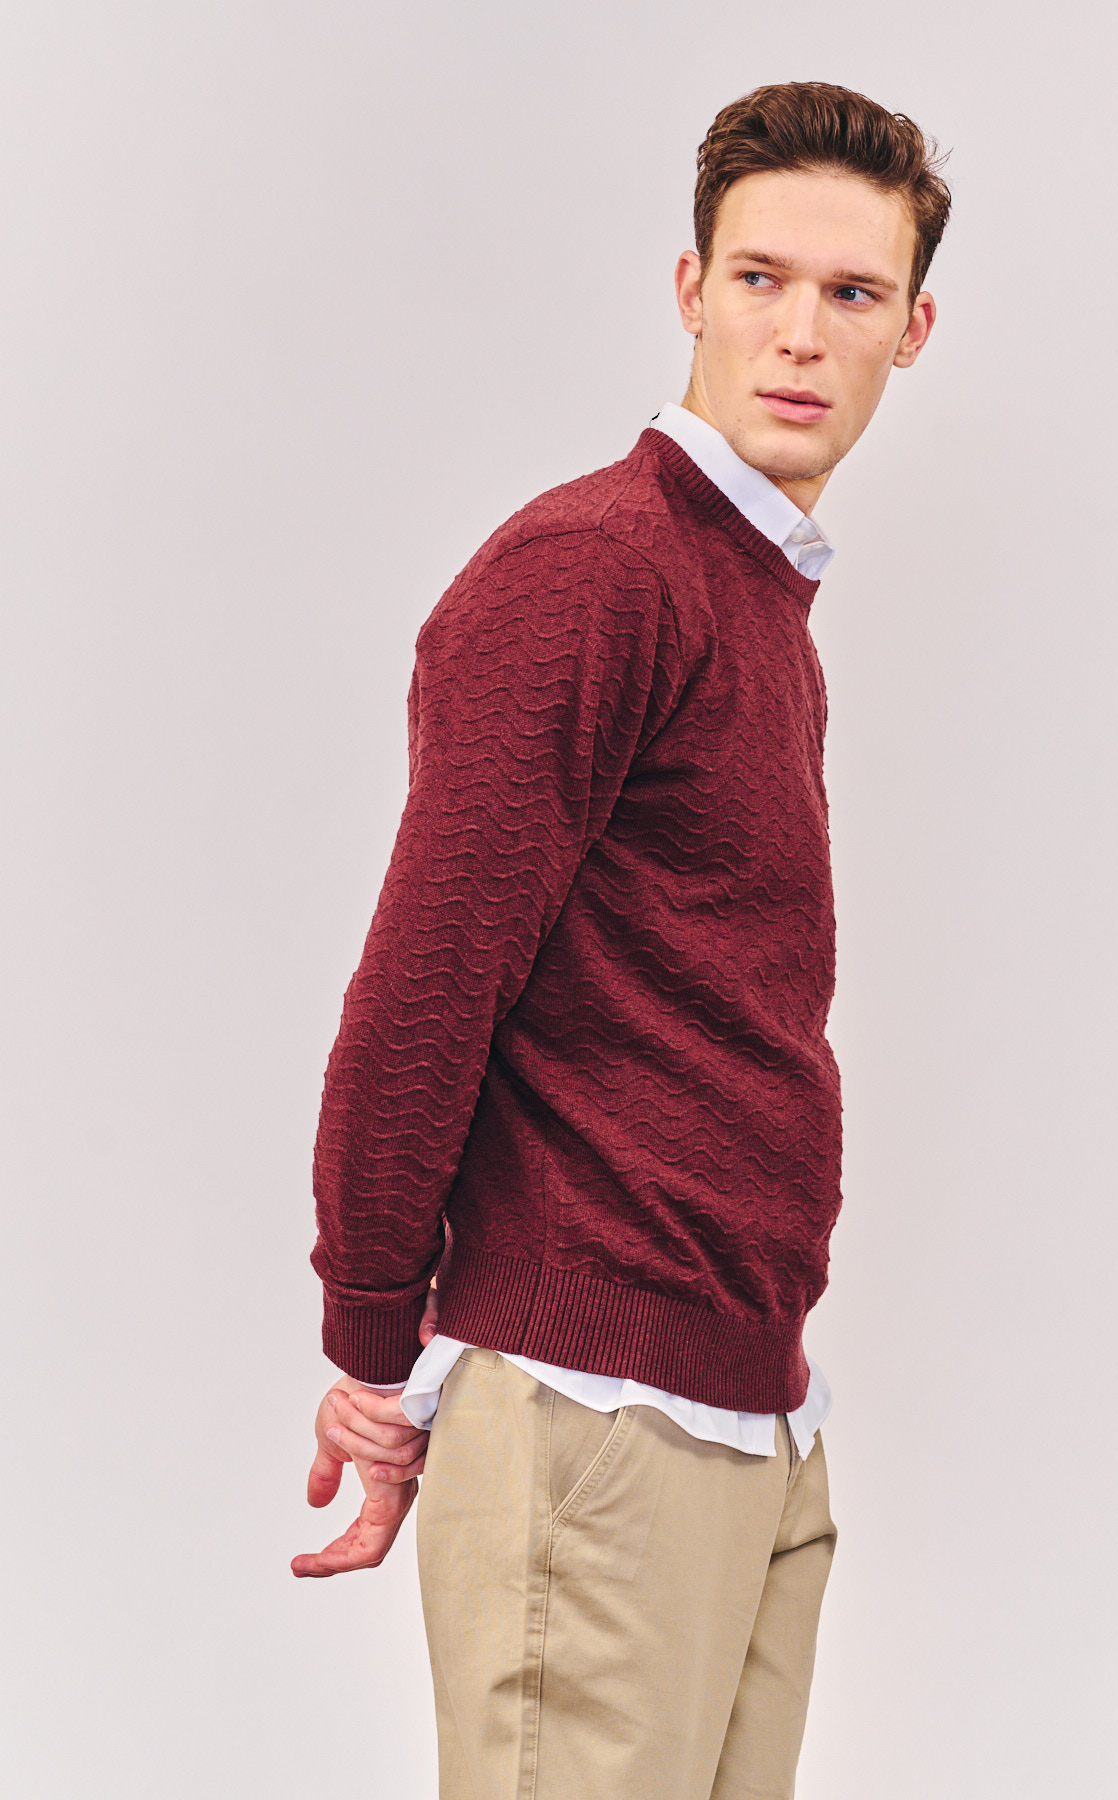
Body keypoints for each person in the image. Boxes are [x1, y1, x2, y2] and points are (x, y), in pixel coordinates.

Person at [292, 79, 950, 1800]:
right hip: (593, 1415)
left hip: (745, 1410)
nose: (798, 332)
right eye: (759, 279)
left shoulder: (750, 592)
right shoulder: (595, 571)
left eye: (851, 293)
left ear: (911, 330)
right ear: (688, 290)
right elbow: (421, 995)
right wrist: (373, 1351)